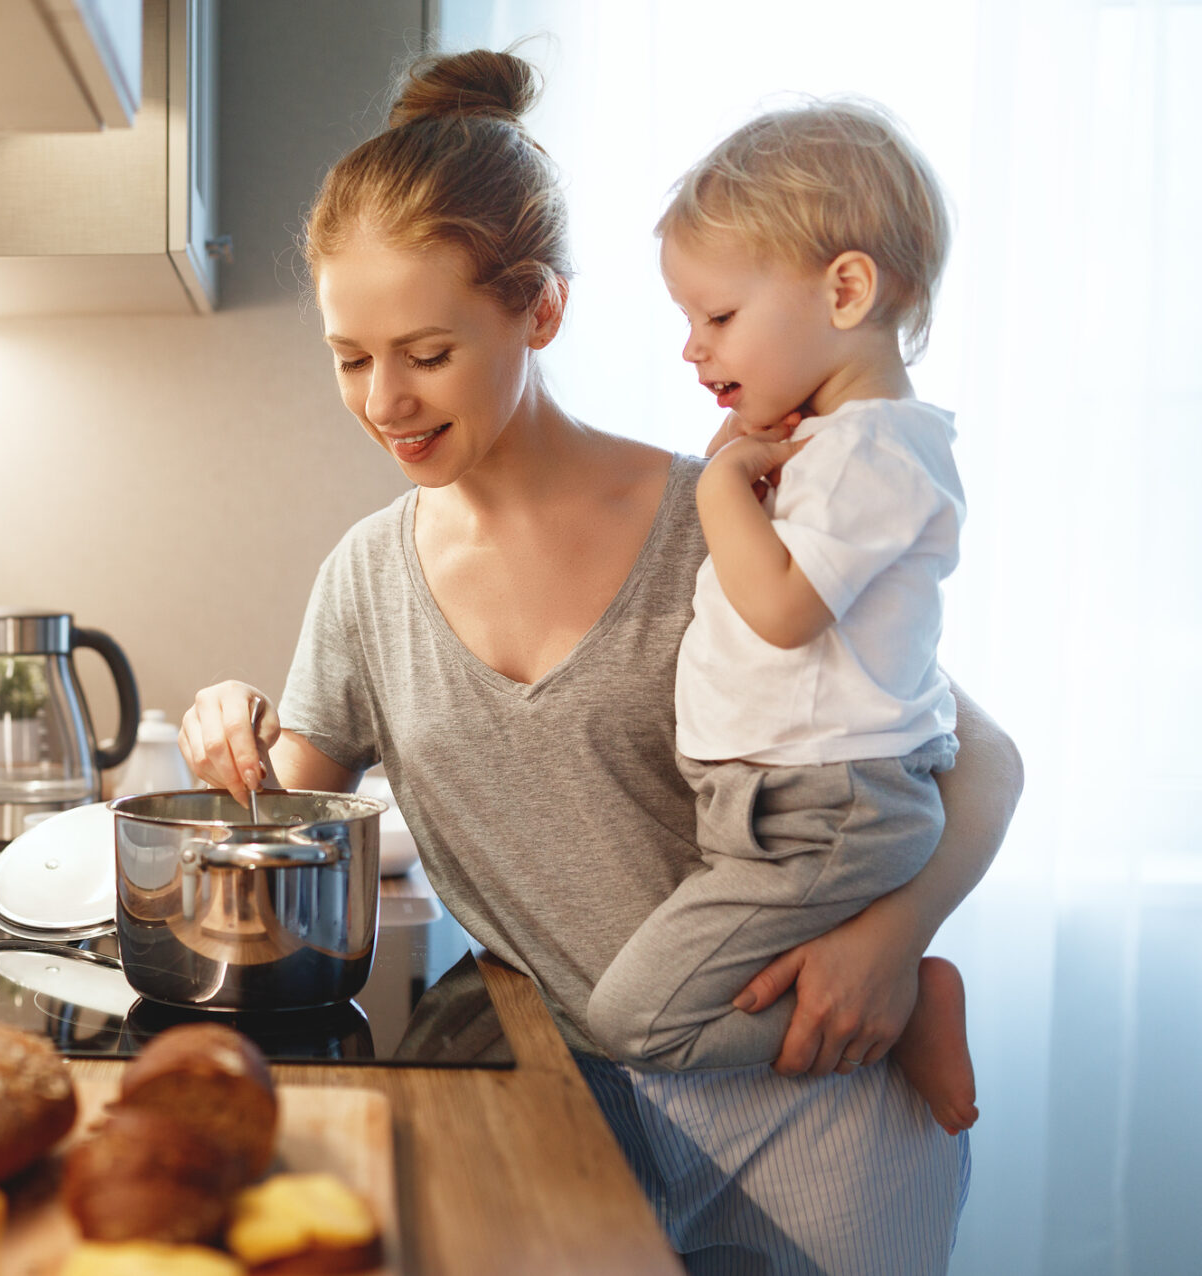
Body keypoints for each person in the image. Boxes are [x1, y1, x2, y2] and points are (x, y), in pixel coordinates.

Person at [179, 49, 1022, 1274]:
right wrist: (228, 724)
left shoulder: (726, 511)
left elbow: (978, 759)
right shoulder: (367, 581)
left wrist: (896, 943)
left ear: (541, 312)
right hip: (583, 1116)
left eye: (427, 351)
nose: (386, 402)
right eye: (350, 357)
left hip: (825, 1092)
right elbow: (279, 820)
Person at [581, 101, 979, 1138]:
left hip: (822, 808)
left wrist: (717, 490)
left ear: (845, 289)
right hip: (781, 805)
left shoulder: (875, 450)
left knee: (637, 1019)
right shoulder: (839, 449)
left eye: (716, 317)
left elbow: (784, 613)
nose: (691, 349)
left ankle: (899, 1020)